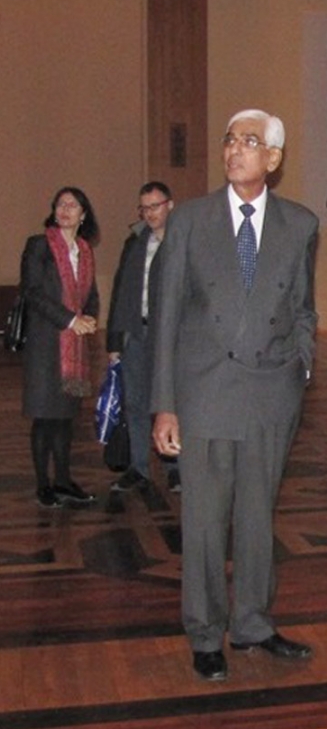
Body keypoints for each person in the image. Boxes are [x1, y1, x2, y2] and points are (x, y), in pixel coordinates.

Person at [151, 109, 319, 682]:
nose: (234, 150)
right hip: (205, 393)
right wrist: (165, 403)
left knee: (255, 517)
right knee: (203, 520)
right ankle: (204, 630)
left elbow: (302, 308)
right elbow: (167, 316)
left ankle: (252, 622)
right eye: (229, 140)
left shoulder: (300, 224)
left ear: (273, 159)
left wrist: (302, 367)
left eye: (249, 142)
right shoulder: (191, 220)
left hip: (272, 394)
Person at [21, 187, 101, 508]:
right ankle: (44, 484)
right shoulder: (39, 245)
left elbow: (91, 294)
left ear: (83, 215)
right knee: (45, 417)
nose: (65, 209)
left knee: (66, 418)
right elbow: (33, 292)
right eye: (60, 204)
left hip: (74, 347)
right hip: (45, 345)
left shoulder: (84, 249)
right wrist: (70, 320)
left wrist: (91, 318)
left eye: (73, 205)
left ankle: (65, 480)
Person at [106, 181, 176, 495]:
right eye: (144, 208)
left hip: (169, 338)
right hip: (136, 332)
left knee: (170, 402)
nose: (149, 213)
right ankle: (138, 468)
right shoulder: (133, 243)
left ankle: (176, 468)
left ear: (170, 206)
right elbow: (120, 293)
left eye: (155, 206)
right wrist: (114, 343)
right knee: (134, 403)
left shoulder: (182, 242)